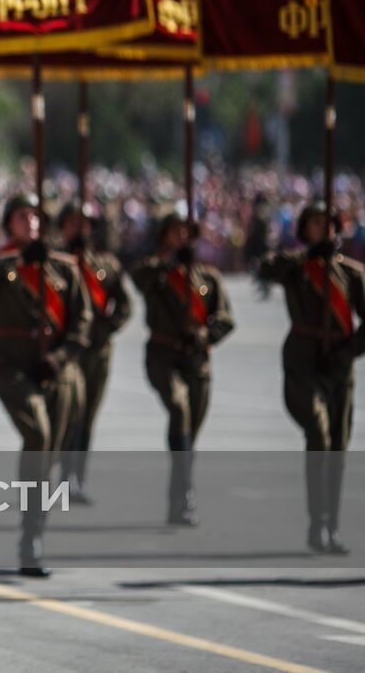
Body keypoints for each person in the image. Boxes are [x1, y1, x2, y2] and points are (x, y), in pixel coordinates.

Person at [0, 194, 92, 577]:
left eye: (36, 216)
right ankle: (30, 540)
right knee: (37, 434)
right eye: (22, 216)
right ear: (8, 223)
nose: (31, 222)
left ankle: (35, 530)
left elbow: (82, 322)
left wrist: (58, 358)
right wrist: (20, 260)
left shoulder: (63, 268)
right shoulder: (1, 262)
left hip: (56, 369)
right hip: (13, 366)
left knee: (47, 456)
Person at [258, 202, 364, 553]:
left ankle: (331, 524)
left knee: (337, 446)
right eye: (318, 223)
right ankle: (316, 522)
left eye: (330, 224)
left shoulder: (349, 273)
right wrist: (306, 257)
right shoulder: (297, 267)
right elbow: (266, 267)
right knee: (318, 432)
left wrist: (347, 351)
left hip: (339, 363)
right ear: (305, 229)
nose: (325, 229)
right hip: (303, 359)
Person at [131, 209, 235, 526]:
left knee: (189, 432)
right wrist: (172, 261)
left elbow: (226, 319)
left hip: (197, 360)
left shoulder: (207, 276)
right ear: (164, 235)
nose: (181, 237)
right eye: (175, 231)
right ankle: (184, 495)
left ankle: (181, 494)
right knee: (180, 410)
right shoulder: (156, 270)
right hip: (164, 355)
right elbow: (140, 278)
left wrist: (204, 334)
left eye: (186, 232)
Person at [54, 202, 132, 505]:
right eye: (72, 223)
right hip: (67, 351)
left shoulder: (106, 265)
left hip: (96, 351)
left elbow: (124, 305)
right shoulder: (55, 263)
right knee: (66, 415)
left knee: (86, 417)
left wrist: (107, 328)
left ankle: (76, 477)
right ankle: (60, 475)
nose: (79, 229)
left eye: (84, 223)